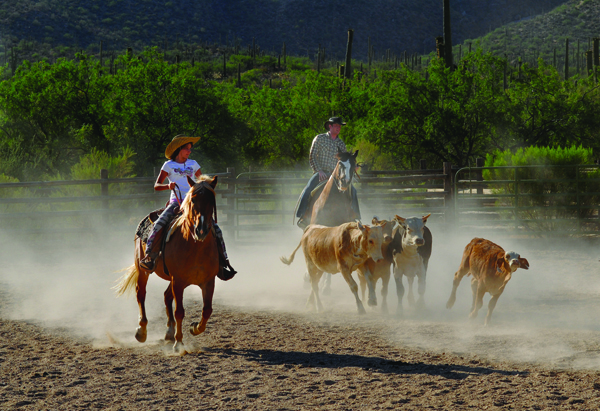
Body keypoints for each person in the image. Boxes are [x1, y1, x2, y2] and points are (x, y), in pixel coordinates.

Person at [139, 135, 236, 278]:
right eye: (187, 149)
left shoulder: (194, 164)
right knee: (159, 224)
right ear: (179, 149)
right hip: (176, 203)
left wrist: (206, 186)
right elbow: (156, 186)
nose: (189, 152)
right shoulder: (168, 165)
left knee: (216, 229)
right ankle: (150, 257)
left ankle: (223, 262)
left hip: (194, 203)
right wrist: (168, 185)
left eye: (190, 149)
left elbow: (201, 182)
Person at [295, 117, 361, 227]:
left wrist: (352, 168)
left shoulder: (341, 144)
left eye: (339, 126)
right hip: (321, 172)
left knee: (353, 190)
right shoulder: (319, 139)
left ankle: (355, 216)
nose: (338, 128)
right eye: (336, 126)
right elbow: (312, 156)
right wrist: (319, 171)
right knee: (308, 189)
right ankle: (303, 216)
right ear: (330, 126)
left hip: (336, 175)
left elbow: (343, 162)